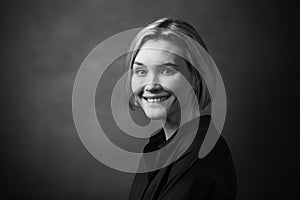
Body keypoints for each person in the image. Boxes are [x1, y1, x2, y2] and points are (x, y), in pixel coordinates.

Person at [127, 17, 237, 200]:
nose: (150, 85)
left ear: (195, 77)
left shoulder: (199, 153)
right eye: (141, 71)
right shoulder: (160, 147)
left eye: (166, 71)